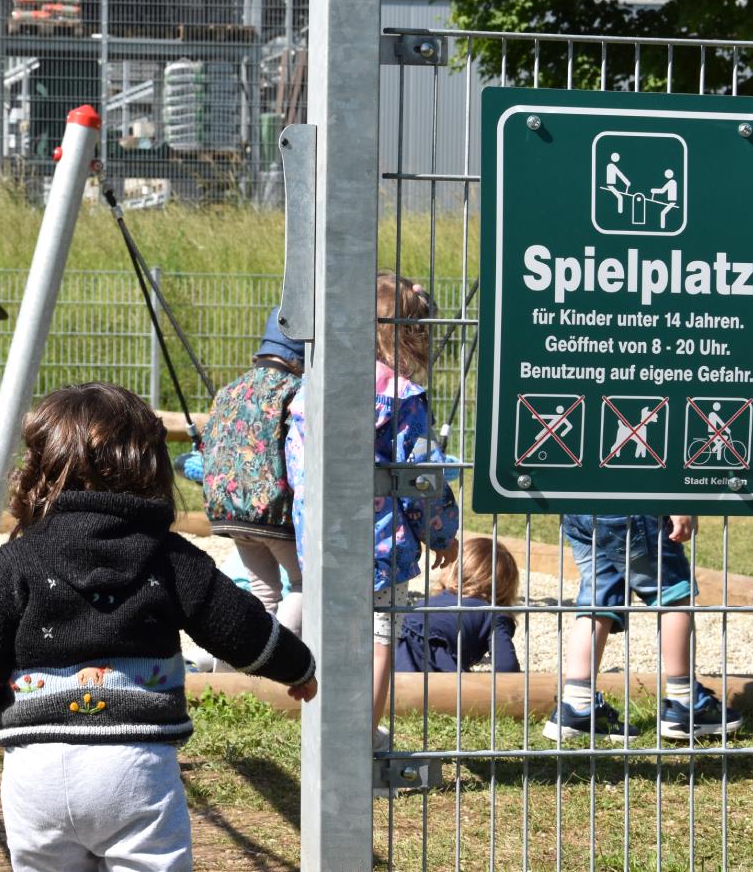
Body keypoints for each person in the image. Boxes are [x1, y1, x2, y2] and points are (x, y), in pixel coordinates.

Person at [0, 382, 317, 872]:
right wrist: (298, 666)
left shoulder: (16, 561)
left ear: (40, 468)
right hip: (135, 766)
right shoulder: (170, 557)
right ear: (151, 467)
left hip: (36, 772)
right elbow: (237, 625)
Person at [286, 271, 458, 750]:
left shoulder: (313, 389)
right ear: (413, 334)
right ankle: (361, 744)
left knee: (331, 636)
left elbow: (295, 464)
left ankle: (327, 738)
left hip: (320, 537)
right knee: (381, 637)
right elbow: (422, 477)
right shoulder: (402, 398)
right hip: (382, 542)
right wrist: (442, 534)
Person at [543, 514, 742, 743]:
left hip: (581, 507)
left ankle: (577, 704)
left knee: (597, 600)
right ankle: (685, 702)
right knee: (672, 593)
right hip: (634, 504)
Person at [197, 307, 305, 633]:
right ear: (300, 358)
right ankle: (283, 658)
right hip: (271, 509)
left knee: (263, 591)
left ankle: (241, 667)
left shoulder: (229, 389)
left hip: (227, 509)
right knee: (304, 585)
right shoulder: (294, 391)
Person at [395, 536, 520, 674]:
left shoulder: (436, 600)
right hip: (428, 654)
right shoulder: (494, 614)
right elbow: (507, 667)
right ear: (506, 585)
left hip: (391, 640)